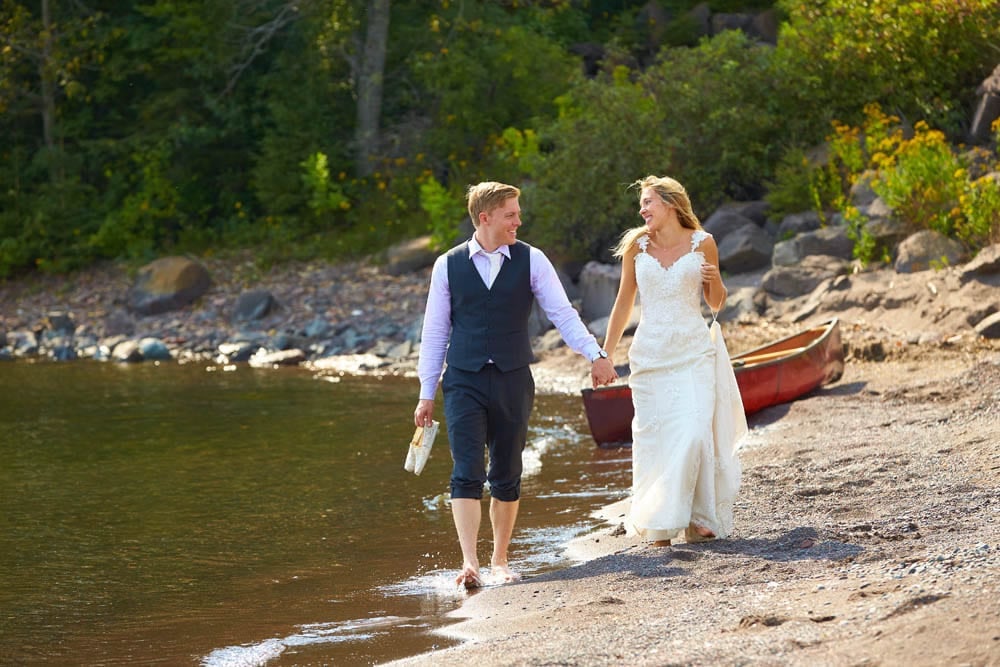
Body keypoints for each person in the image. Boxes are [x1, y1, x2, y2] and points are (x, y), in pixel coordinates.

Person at [414, 181, 617, 589]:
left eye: (517, 214)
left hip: (513, 380)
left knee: (506, 471)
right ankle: (469, 563)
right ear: (484, 217)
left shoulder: (532, 260)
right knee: (466, 470)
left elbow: (562, 313)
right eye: (511, 214)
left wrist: (595, 355)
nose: (518, 221)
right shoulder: (447, 265)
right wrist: (426, 392)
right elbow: (435, 332)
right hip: (463, 380)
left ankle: (500, 560)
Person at [600, 175, 743, 547]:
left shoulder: (703, 243)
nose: (642, 210)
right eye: (642, 204)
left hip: (693, 351)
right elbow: (623, 301)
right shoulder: (637, 246)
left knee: (695, 432)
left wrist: (715, 281)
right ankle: (660, 523)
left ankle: (697, 518)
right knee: (656, 441)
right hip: (650, 357)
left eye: (648, 202)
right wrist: (606, 353)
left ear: (671, 205)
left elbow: (715, 302)